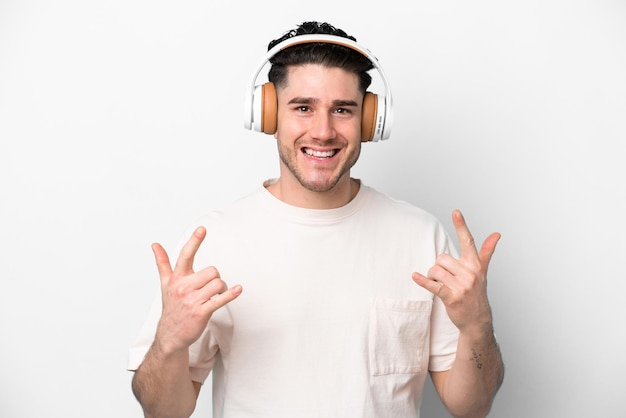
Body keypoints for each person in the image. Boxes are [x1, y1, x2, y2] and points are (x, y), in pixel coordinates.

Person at [127, 21, 504, 418]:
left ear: (369, 120)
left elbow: (472, 407)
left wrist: (478, 326)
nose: (323, 132)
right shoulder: (215, 239)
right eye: (303, 108)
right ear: (267, 114)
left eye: (342, 110)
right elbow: (163, 411)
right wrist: (168, 342)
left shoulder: (421, 236)